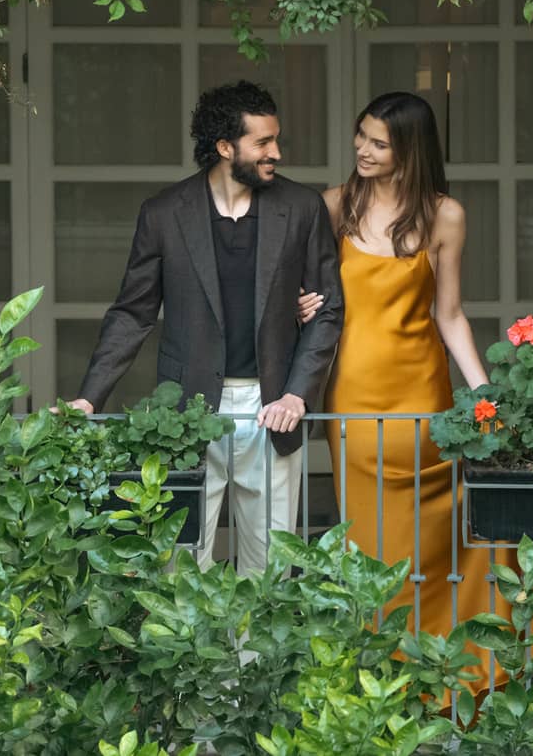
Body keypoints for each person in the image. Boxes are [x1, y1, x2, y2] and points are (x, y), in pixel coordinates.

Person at [301, 91, 533, 696]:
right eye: (360, 136)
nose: (363, 150)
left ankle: (458, 678)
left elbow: (451, 316)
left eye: (378, 142)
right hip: (354, 404)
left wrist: (486, 399)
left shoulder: (445, 216)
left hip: (425, 398)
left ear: (410, 150)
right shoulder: (332, 207)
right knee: (375, 549)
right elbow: (308, 302)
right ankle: (384, 689)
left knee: (456, 533)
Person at [67, 81, 343, 574]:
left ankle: (259, 658)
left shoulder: (302, 208)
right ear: (224, 147)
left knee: (272, 567)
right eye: (262, 142)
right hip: (186, 414)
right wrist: (91, 396)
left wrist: (298, 395)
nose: (275, 152)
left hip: (272, 409)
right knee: (181, 567)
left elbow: (327, 310)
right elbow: (133, 313)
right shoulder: (164, 213)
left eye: (275, 140)